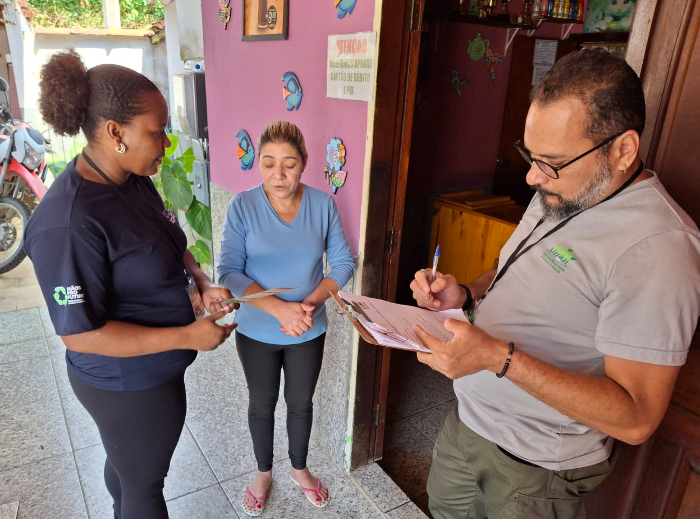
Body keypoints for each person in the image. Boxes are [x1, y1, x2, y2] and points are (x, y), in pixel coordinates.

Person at [410, 49, 700, 519]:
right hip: (467, 425)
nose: (531, 176)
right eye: (531, 155)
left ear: (622, 150)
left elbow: (636, 418)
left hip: (534, 470)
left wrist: (496, 357)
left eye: (550, 162)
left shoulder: (659, 247)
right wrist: (466, 294)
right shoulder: (563, 188)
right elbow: (513, 269)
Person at [25, 50, 237, 519]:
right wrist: (188, 336)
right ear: (115, 132)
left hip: (154, 370)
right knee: (145, 489)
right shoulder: (68, 222)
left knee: (130, 470)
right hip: (127, 384)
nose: (164, 143)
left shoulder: (130, 177)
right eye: (156, 131)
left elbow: (165, 240)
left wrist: (200, 281)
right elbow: (79, 332)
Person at [217, 120, 355, 516]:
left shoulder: (323, 204)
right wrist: (278, 308)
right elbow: (228, 271)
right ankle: (263, 473)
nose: (279, 174)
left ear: (305, 163)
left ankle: (299, 469)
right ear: (258, 163)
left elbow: (343, 262)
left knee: (300, 402)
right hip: (258, 329)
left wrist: (306, 307)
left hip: (308, 328)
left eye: (289, 164)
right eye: (268, 163)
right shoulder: (243, 206)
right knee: (261, 404)